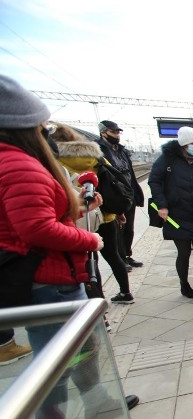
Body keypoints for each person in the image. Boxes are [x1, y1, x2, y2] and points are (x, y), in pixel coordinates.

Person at [0, 75, 116, 419]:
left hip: (52, 278)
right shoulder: (19, 164)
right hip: (49, 281)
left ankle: (89, 410)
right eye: (42, 126)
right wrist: (90, 241)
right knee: (55, 365)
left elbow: (39, 215)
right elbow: (36, 228)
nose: (45, 132)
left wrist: (81, 209)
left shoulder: (15, 162)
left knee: (73, 352)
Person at [53, 124, 135, 305]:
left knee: (90, 262)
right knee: (114, 255)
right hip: (106, 214)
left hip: (80, 218)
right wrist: (119, 211)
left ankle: (98, 305)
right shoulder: (95, 156)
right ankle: (125, 292)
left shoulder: (56, 161)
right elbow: (115, 182)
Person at [148, 127, 193, 299]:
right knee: (184, 252)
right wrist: (162, 205)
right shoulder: (168, 159)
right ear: (183, 145)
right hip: (176, 214)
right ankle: (184, 286)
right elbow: (154, 181)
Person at [96, 120, 144, 270]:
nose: (117, 135)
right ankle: (120, 259)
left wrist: (136, 192)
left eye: (118, 132)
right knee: (117, 230)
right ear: (103, 133)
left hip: (127, 194)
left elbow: (129, 172)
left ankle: (127, 255)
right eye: (113, 132)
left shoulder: (121, 150)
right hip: (113, 195)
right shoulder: (99, 150)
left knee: (128, 228)